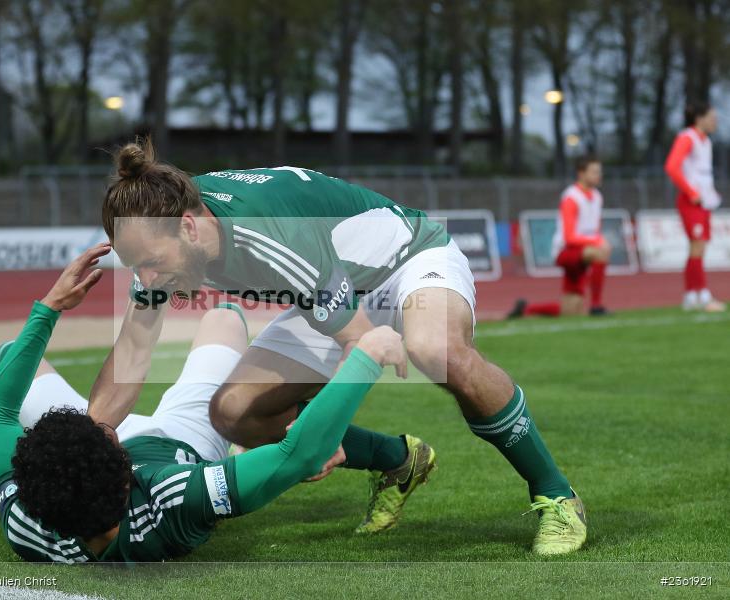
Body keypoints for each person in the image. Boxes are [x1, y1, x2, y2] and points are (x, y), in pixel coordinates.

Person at [98, 139, 587, 555]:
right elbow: (134, 349)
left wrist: (318, 436)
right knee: (235, 413)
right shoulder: (161, 222)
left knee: (435, 351)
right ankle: (400, 459)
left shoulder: (265, 234)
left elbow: (364, 343)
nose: (147, 279)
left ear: (188, 226)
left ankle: (557, 494)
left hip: (409, 259)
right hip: (331, 284)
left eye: (152, 264)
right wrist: (93, 435)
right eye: (136, 266)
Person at [0, 244, 412, 563]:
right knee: (224, 319)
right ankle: (398, 456)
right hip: (189, 438)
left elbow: (0, 408)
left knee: (8, 358)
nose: (107, 423)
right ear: (123, 467)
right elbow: (297, 456)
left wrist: (49, 308)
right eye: (104, 430)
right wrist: (365, 357)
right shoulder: (173, 498)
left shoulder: (28, 523)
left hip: (88, 469)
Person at [508, 156, 611, 319]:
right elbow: (569, 238)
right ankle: (596, 305)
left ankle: (526, 310)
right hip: (566, 253)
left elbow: (594, 230)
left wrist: (597, 239)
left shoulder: (597, 197)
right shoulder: (572, 197)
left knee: (571, 312)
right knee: (601, 252)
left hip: (583, 253)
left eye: (599, 172)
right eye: (594, 171)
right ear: (581, 173)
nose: (599, 175)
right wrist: (598, 241)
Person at [664, 102, 725, 312]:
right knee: (697, 246)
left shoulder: (705, 141)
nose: (715, 121)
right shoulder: (687, 137)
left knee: (699, 248)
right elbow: (672, 166)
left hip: (704, 202)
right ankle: (702, 295)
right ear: (699, 118)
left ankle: (692, 295)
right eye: (712, 117)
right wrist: (692, 192)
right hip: (691, 202)